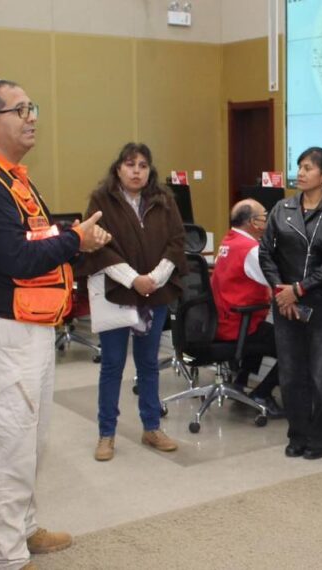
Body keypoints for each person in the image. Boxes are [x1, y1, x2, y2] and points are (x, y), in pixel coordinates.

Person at [0, 79, 110, 569]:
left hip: (31, 329)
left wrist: (74, 239)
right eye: (20, 110)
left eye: (31, 108)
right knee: (7, 451)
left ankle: (23, 529)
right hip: (2, 334)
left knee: (29, 444)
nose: (32, 117)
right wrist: (75, 240)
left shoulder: (14, 180)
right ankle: (5, 558)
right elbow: (16, 257)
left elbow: (36, 241)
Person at [78, 142, 187, 462]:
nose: (136, 171)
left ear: (150, 170)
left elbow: (176, 242)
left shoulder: (164, 200)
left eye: (143, 165)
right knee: (112, 364)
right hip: (118, 293)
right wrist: (133, 280)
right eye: (130, 165)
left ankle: (152, 427)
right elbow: (99, 247)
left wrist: (155, 278)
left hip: (156, 292)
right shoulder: (102, 201)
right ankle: (106, 434)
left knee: (148, 363)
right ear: (118, 169)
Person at [258, 146, 322, 460]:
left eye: (308, 167)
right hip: (285, 305)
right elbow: (266, 253)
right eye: (299, 166)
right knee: (290, 375)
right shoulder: (282, 208)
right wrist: (280, 290)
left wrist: (297, 290)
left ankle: (320, 437)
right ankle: (297, 434)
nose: (300, 172)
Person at [212, 198, 283, 417]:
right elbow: (278, 281)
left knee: (262, 327)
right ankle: (262, 394)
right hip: (237, 325)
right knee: (296, 345)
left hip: (222, 321)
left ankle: (240, 382)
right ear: (253, 223)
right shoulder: (250, 249)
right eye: (264, 217)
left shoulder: (228, 242)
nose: (267, 221)